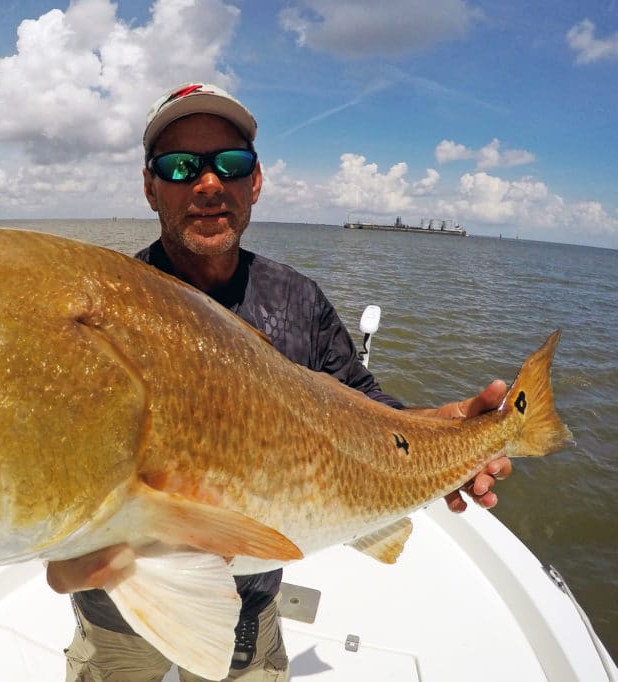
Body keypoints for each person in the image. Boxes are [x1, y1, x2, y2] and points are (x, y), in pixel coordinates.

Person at [48, 82, 512, 682]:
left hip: (250, 600)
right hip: (118, 604)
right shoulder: (108, 310)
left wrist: (447, 430)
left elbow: (366, 414)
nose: (209, 183)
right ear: (149, 186)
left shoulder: (298, 300)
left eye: (231, 164)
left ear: (256, 182)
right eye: (181, 165)